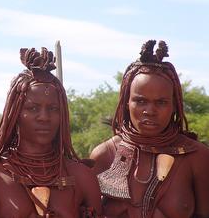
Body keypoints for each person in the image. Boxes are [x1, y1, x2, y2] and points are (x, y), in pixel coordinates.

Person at [0, 47, 102, 218]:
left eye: (53, 109)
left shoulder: (82, 176)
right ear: (14, 114)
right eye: (32, 108)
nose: (44, 117)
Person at [90, 40, 209, 218]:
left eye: (161, 102)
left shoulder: (196, 156)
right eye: (140, 101)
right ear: (126, 103)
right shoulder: (104, 155)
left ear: (174, 106)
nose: (150, 111)